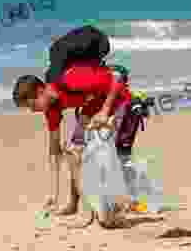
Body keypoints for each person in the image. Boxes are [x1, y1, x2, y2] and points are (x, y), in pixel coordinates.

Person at [12, 26, 143, 216]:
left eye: (32, 106)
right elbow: (54, 152)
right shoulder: (52, 109)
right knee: (73, 150)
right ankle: (74, 204)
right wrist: (53, 195)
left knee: (115, 154)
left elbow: (116, 78)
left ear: (40, 92)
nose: (33, 111)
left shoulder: (70, 79)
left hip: (120, 100)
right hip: (94, 108)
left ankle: (128, 200)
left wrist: (105, 112)